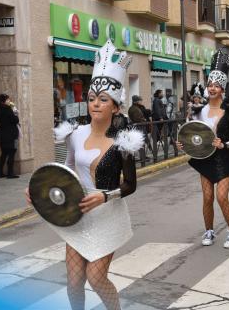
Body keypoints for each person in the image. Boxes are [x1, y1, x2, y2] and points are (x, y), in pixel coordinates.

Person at [28, 41, 143, 310]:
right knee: (74, 283)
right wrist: (38, 189)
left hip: (108, 215)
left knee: (96, 278)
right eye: (92, 98)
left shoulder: (122, 142)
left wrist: (104, 197)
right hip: (77, 213)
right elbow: (63, 170)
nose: (95, 104)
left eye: (103, 100)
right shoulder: (75, 134)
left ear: (115, 107)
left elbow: (131, 185)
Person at [179, 49, 229, 248]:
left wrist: (224, 144)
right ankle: (209, 231)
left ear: (223, 89)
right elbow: (192, 134)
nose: (212, 88)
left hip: (224, 158)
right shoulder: (199, 110)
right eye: (210, 85)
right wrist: (183, 144)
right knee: (207, 197)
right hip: (204, 157)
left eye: (216, 85)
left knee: (221, 197)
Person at [0, 94, 20, 179]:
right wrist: (15, 112)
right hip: (12, 135)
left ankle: (0, 172)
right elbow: (15, 120)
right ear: (3, 101)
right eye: (8, 100)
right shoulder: (8, 109)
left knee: (4, 153)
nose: (9, 101)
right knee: (12, 153)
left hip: (2, 135)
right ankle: (10, 173)